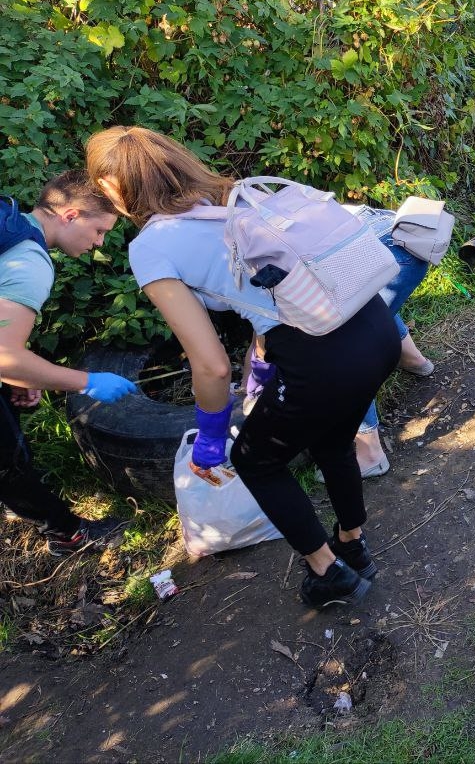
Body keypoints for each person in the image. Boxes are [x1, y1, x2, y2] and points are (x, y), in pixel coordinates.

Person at [85, 127, 400, 609]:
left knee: (257, 460)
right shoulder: (236, 196)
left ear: (112, 187)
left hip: (320, 356)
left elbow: (209, 366)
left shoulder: (151, 246)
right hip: (375, 329)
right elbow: (267, 290)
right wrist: (262, 356)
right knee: (332, 440)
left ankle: (327, 571)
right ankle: (352, 544)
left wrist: (212, 434)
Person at [0, 173, 137, 554]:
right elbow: (3, 354)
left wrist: (17, 375)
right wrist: (85, 381)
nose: (99, 243)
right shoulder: (29, 263)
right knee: (6, 457)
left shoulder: (9, 220)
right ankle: (65, 532)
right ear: (71, 214)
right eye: (98, 230)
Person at [245, 203, 434, 478]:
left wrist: (255, 377)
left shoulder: (244, 254)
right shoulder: (259, 208)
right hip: (404, 237)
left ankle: (368, 451)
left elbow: (263, 331)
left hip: (388, 251)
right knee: (364, 308)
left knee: (342, 342)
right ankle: (414, 360)